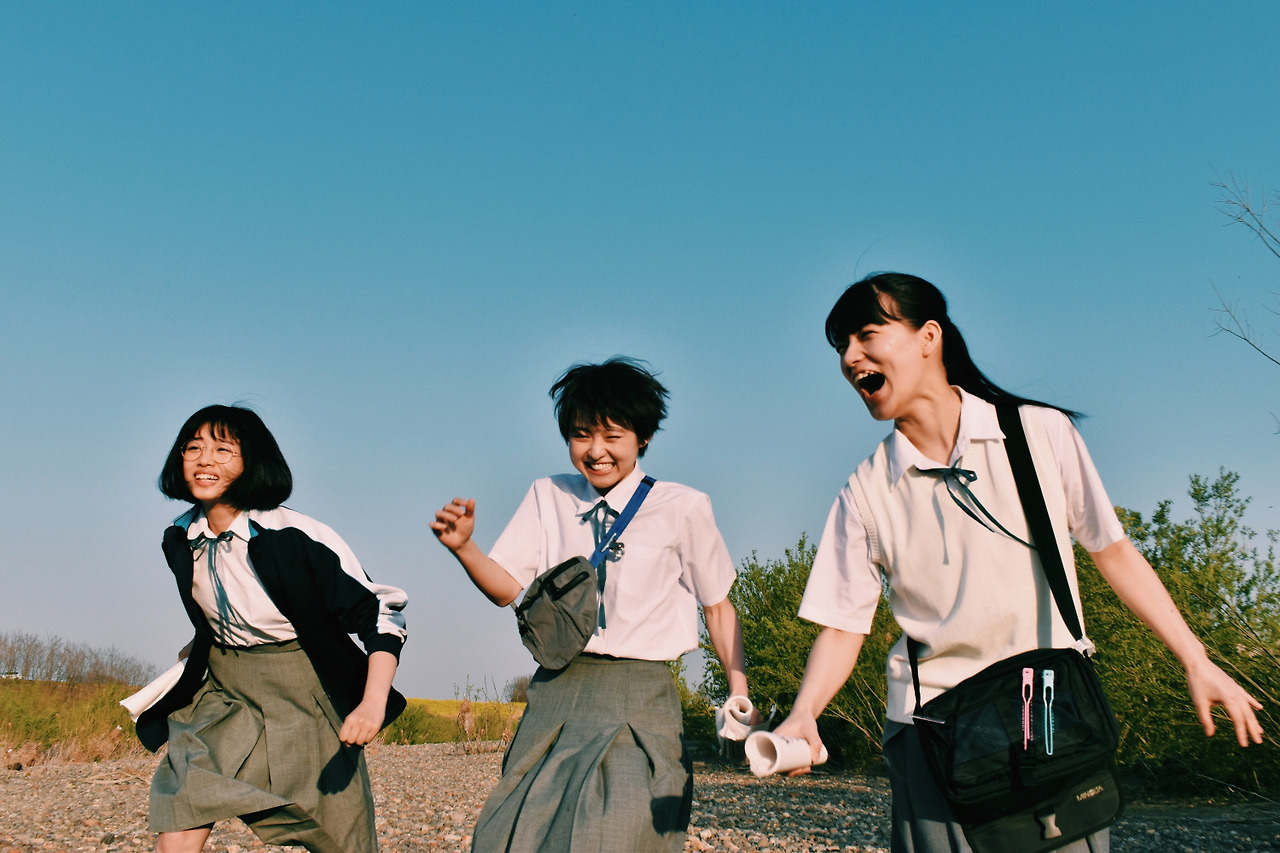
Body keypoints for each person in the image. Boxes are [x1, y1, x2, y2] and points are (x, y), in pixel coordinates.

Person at [773, 273, 1264, 853]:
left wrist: (1196, 658)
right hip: (934, 724)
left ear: (928, 336)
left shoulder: (1037, 433)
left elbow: (1112, 550)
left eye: (866, 335)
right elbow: (842, 626)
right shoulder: (865, 489)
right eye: (841, 347)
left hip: (1046, 707)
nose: (850, 358)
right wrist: (804, 713)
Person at [431, 356, 755, 853]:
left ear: (643, 437)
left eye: (612, 436)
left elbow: (718, 606)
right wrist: (465, 548)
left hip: (640, 696)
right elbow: (507, 589)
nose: (596, 451)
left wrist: (738, 692)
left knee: (623, 832)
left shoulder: (683, 506)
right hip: (557, 690)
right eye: (581, 435)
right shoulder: (548, 495)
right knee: (513, 832)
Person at [137, 404, 408, 853]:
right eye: (193, 448)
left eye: (223, 450)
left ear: (252, 462)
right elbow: (226, 603)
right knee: (185, 799)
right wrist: (202, 643)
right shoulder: (179, 538)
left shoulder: (295, 535)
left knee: (340, 836)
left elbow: (379, 611)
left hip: (304, 689)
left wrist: (372, 703)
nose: (205, 460)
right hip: (226, 693)